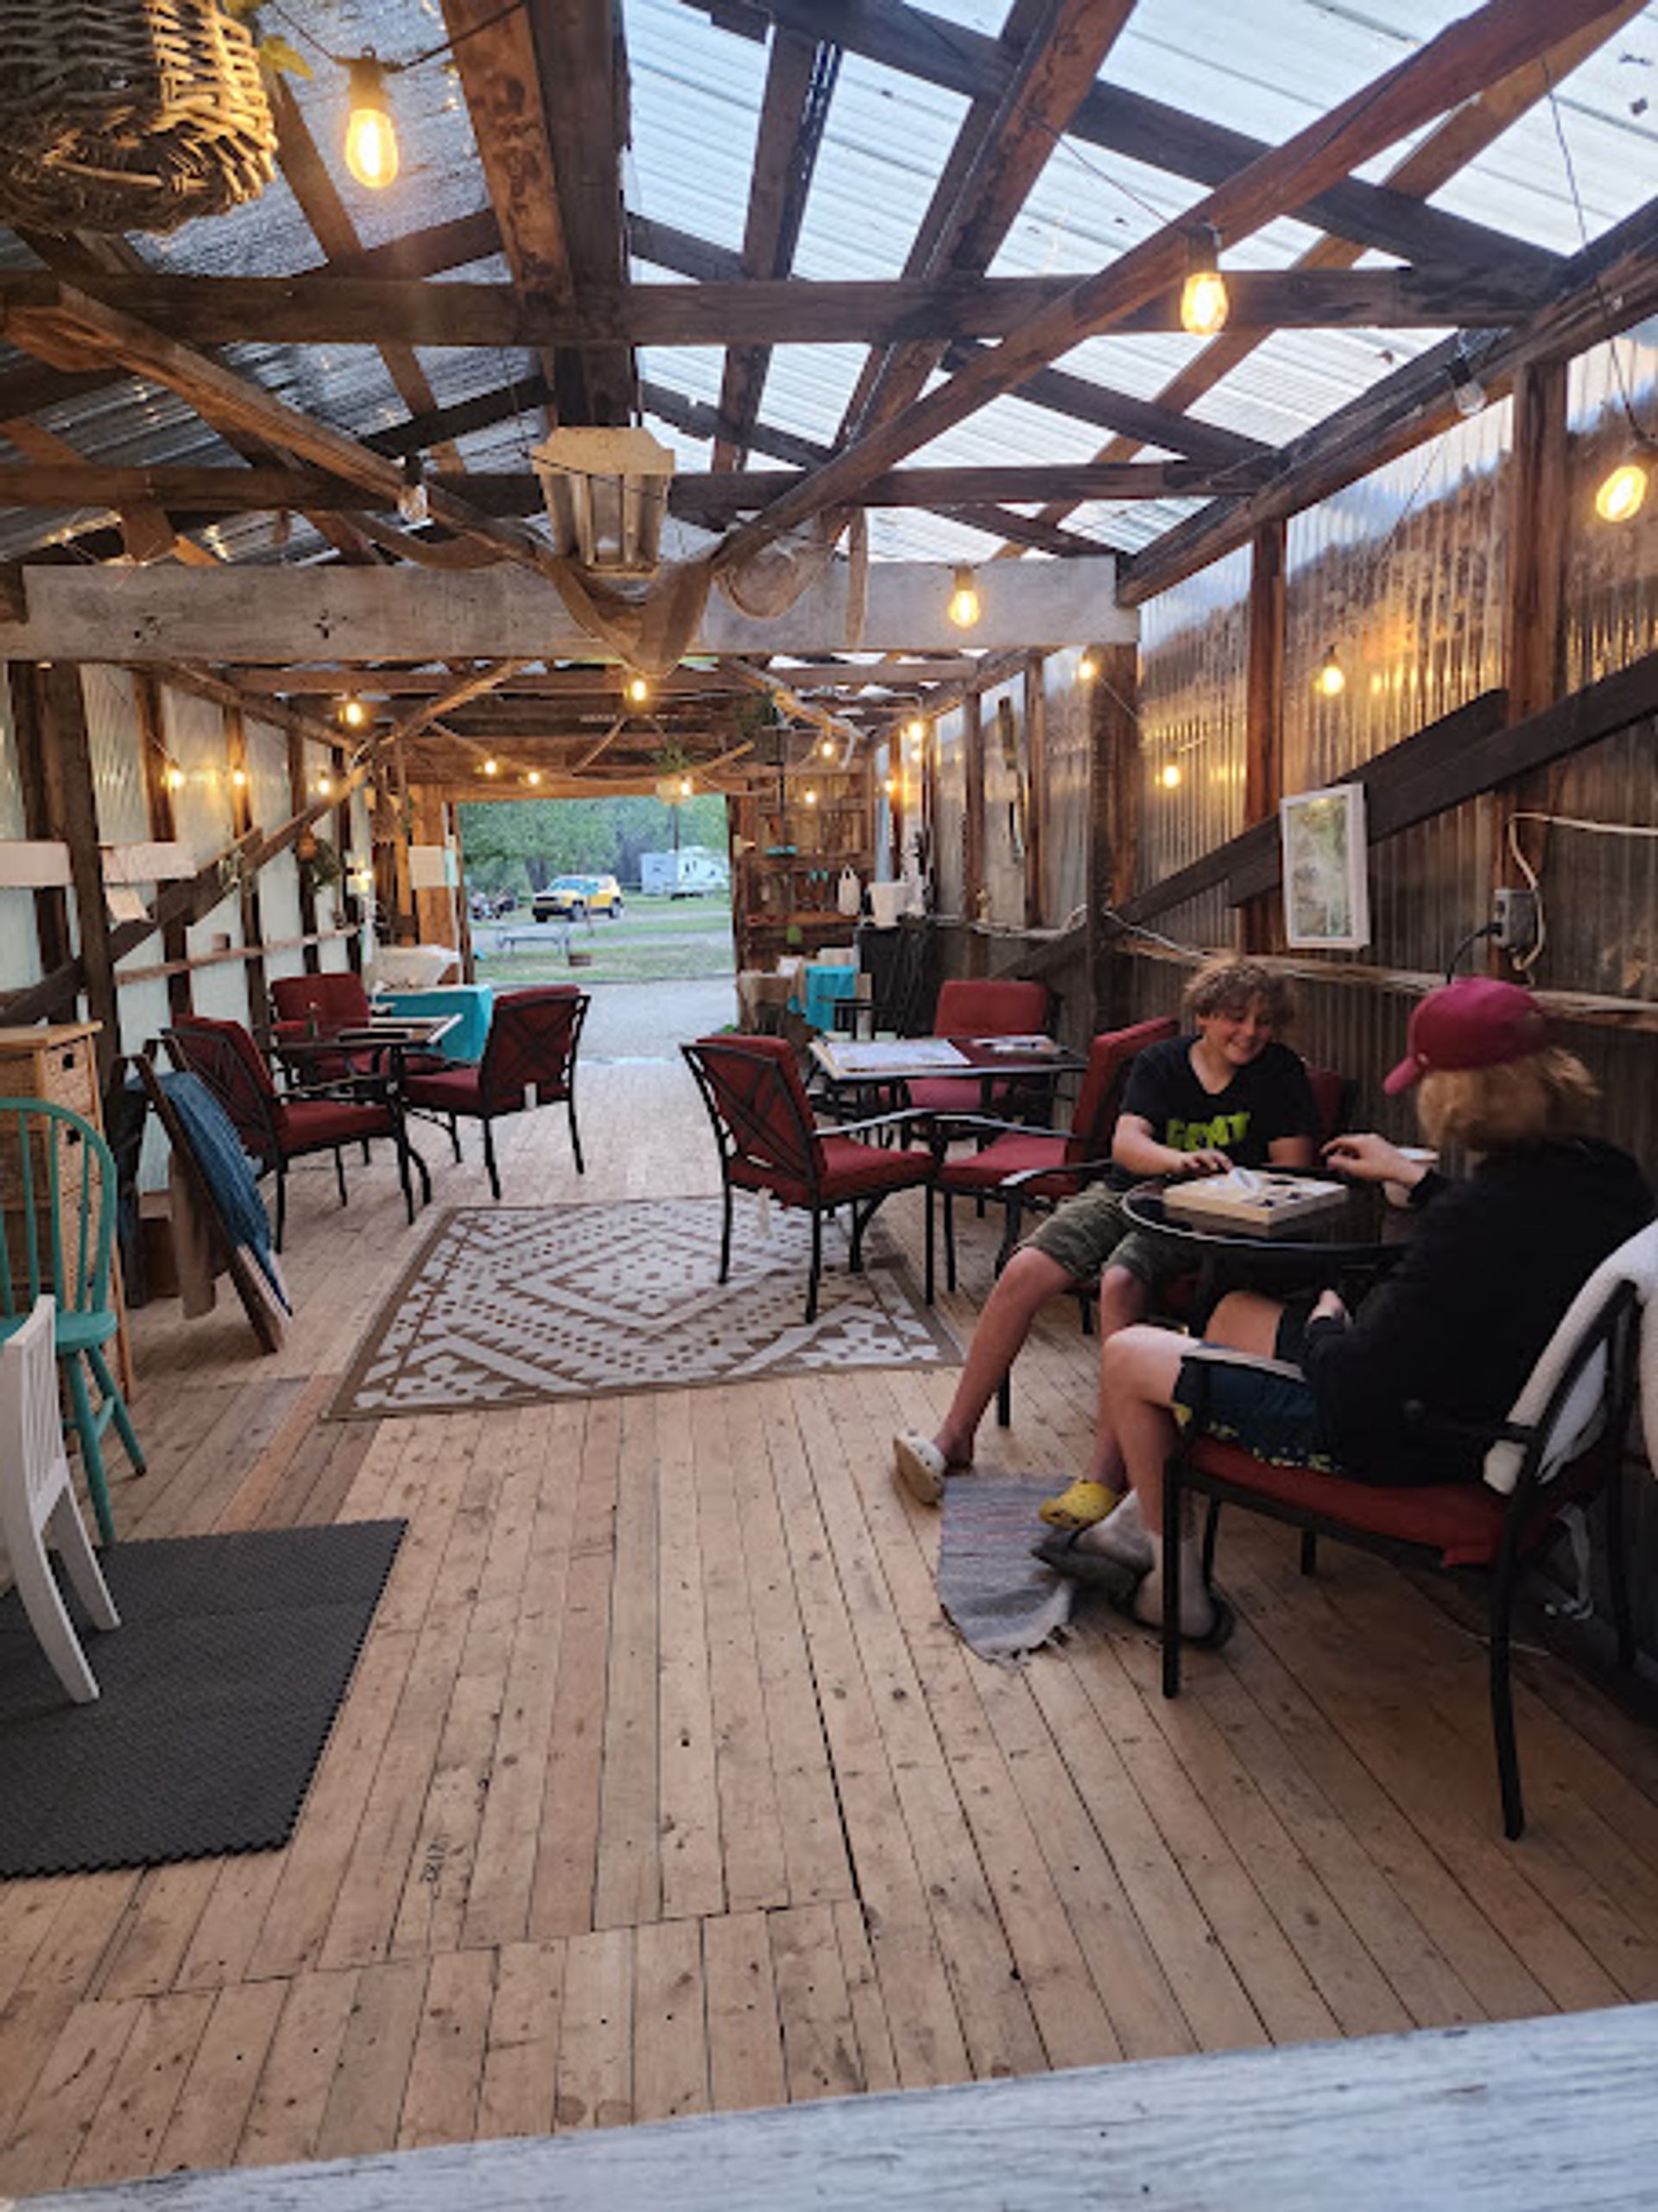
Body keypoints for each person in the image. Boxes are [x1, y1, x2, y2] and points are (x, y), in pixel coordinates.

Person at [1039, 977, 1655, 1645]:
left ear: (1454, 1093)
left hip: (1414, 1442)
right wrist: (1421, 1182)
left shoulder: (1468, 1224)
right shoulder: (1607, 1173)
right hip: (1511, 1413)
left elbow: (1356, 1389)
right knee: (1233, 1312)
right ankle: (1142, 1517)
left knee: (1129, 1356)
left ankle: (1175, 1592)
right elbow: (1518, 1231)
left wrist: (1330, 1322)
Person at [892, 956, 1320, 1505]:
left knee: (1120, 1283)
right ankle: (955, 1436)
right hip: (1128, 1191)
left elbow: (1293, 1168)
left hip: (1207, 1217)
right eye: (1237, 1017)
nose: (1251, 1033)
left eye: (1264, 1022)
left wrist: (1229, 1183)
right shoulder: (1161, 1063)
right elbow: (1127, 1145)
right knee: (1025, 1269)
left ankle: (1106, 1471)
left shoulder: (1279, 1072)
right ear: (1206, 1014)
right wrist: (1177, 1161)